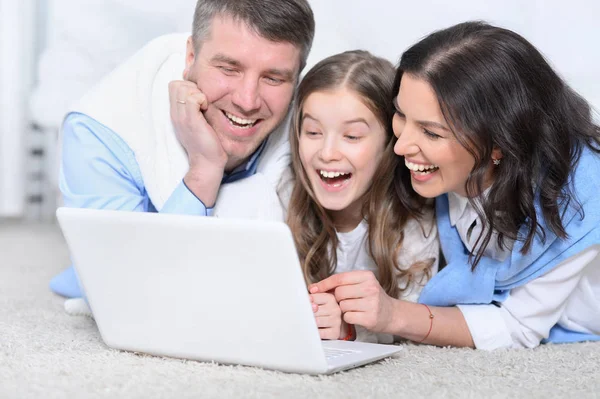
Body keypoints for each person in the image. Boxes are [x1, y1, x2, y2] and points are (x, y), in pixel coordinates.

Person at [309, 21, 600, 349]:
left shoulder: (580, 203)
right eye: (401, 114)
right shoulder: (447, 169)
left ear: (499, 144)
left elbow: (516, 327)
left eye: (431, 133)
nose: (401, 145)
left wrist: (394, 315)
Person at [50, 0, 315, 298]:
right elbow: (121, 291)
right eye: (229, 69)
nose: (247, 100)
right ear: (190, 57)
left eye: (273, 78)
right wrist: (204, 170)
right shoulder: (100, 130)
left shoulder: (314, 131)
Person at [281, 50, 439, 343]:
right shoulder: (282, 196)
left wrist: (348, 329)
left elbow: (412, 325)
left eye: (352, 136)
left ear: (390, 144)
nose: (327, 153)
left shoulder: (416, 227)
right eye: (313, 132)